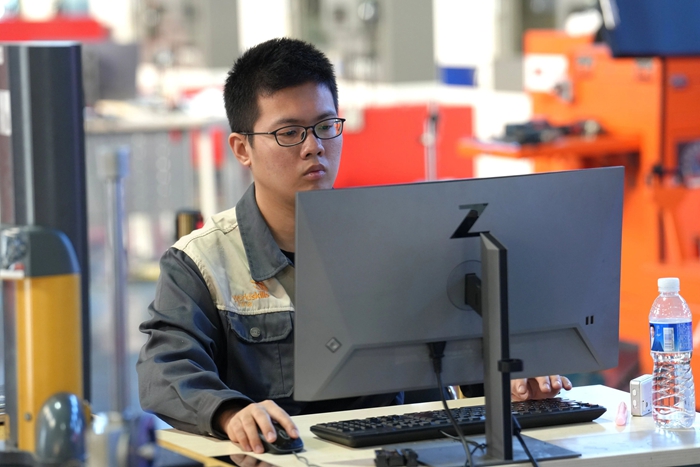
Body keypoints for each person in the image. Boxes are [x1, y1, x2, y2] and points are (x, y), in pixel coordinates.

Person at [136, 37, 572, 455]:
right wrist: (231, 412)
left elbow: (460, 354)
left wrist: (512, 381)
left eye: (326, 126)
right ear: (241, 148)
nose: (314, 147)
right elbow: (165, 370)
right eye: (289, 132)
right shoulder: (202, 263)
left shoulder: (411, 243)